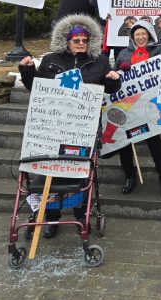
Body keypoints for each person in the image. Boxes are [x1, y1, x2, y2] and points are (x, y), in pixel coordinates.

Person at [19, 15, 121, 238]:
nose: (81, 43)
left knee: (79, 174)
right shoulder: (50, 60)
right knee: (50, 176)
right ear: (67, 41)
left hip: (83, 128)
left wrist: (113, 79)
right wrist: (26, 70)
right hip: (52, 127)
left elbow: (110, 88)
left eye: (85, 40)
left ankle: (79, 215)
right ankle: (52, 218)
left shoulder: (100, 61)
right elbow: (36, 87)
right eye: (77, 40)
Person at [114, 17, 161, 197]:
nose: (140, 37)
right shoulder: (123, 54)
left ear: (149, 35)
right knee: (125, 144)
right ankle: (129, 176)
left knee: (155, 143)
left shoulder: (158, 50)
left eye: (143, 34)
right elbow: (113, 76)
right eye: (137, 34)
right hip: (129, 105)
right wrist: (119, 73)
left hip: (150, 105)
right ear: (132, 36)